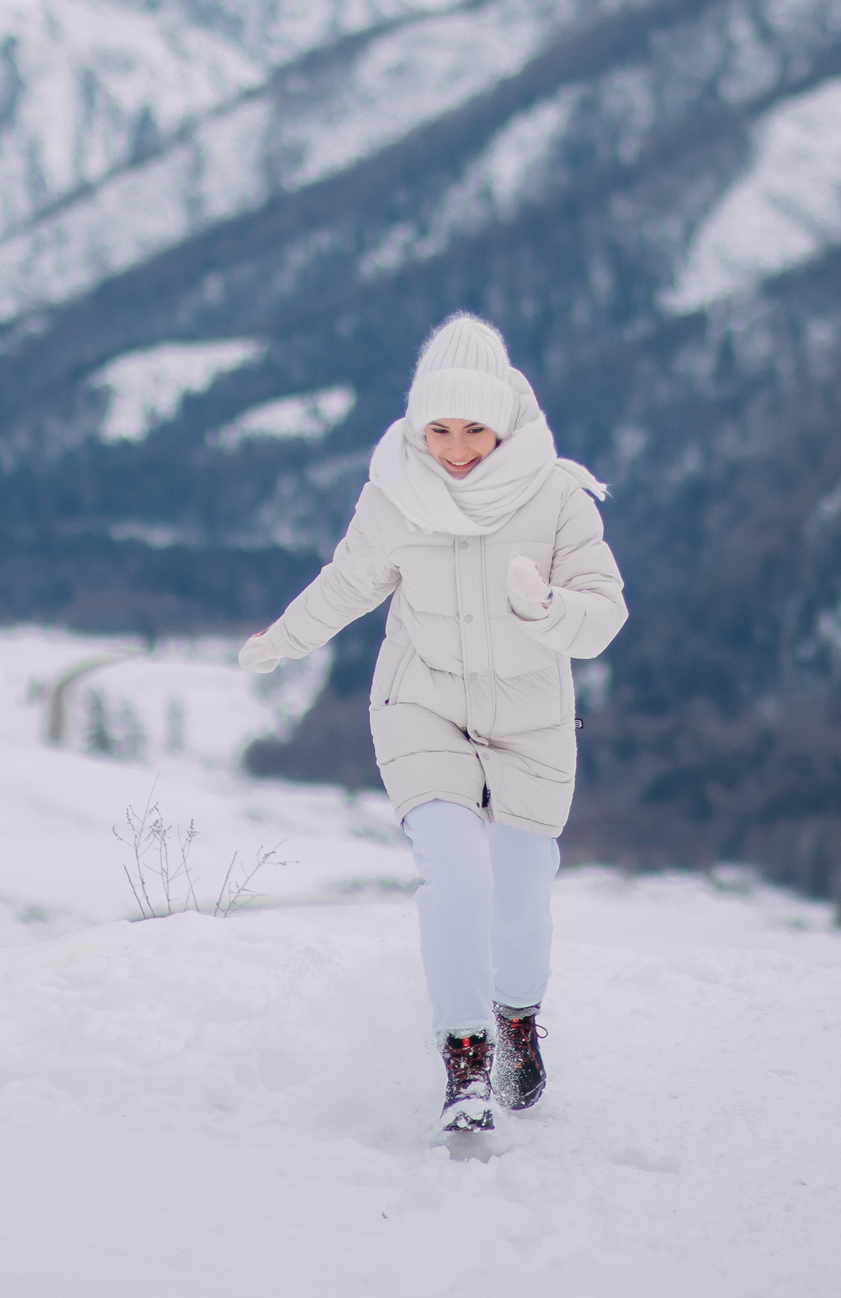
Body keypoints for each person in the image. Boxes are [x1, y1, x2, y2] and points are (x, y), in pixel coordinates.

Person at [240, 314, 626, 1135]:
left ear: (506, 420)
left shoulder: (556, 493)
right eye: (440, 429)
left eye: (475, 429)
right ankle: (466, 1060)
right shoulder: (396, 492)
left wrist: (547, 607)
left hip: (530, 721)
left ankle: (517, 1017)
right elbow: (346, 583)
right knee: (457, 875)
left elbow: (604, 615)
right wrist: (281, 641)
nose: (455, 449)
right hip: (423, 702)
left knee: (520, 898)